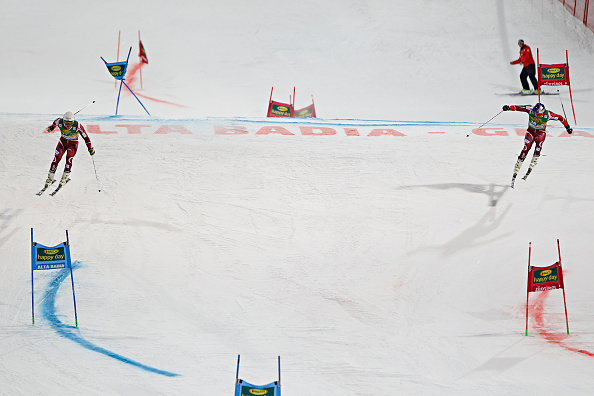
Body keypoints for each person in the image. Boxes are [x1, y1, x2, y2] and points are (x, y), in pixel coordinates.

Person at [502, 103, 572, 188]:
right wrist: (509, 108)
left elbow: (561, 118)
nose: (537, 116)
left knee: (538, 146)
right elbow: (518, 108)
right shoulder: (530, 110)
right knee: (526, 147)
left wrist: (567, 127)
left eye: (539, 114)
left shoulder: (548, 114)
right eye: (536, 114)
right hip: (530, 132)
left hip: (540, 133)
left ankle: (531, 166)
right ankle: (516, 169)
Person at [43, 111, 95, 188]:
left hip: (73, 144)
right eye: (66, 123)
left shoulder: (78, 126)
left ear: (73, 122)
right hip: (62, 143)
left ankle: (64, 178)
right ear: (63, 121)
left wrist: (90, 148)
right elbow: (53, 125)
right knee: (56, 159)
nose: (68, 125)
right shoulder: (59, 121)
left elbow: (86, 137)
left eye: (70, 123)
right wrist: (51, 128)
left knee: (69, 159)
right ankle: (50, 178)